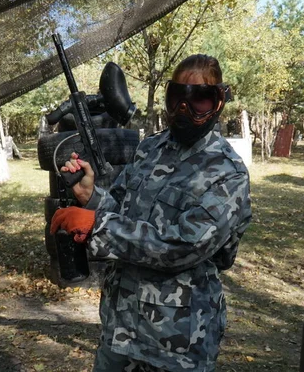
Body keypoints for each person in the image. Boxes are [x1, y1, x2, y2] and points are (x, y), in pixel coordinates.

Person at [50, 54, 252, 372]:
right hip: (121, 329)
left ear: (218, 103)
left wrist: (97, 226)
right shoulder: (151, 149)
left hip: (178, 341)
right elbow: (120, 207)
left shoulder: (227, 172)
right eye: (177, 97)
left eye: (199, 99)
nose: (185, 108)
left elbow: (185, 245)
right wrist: (91, 196)